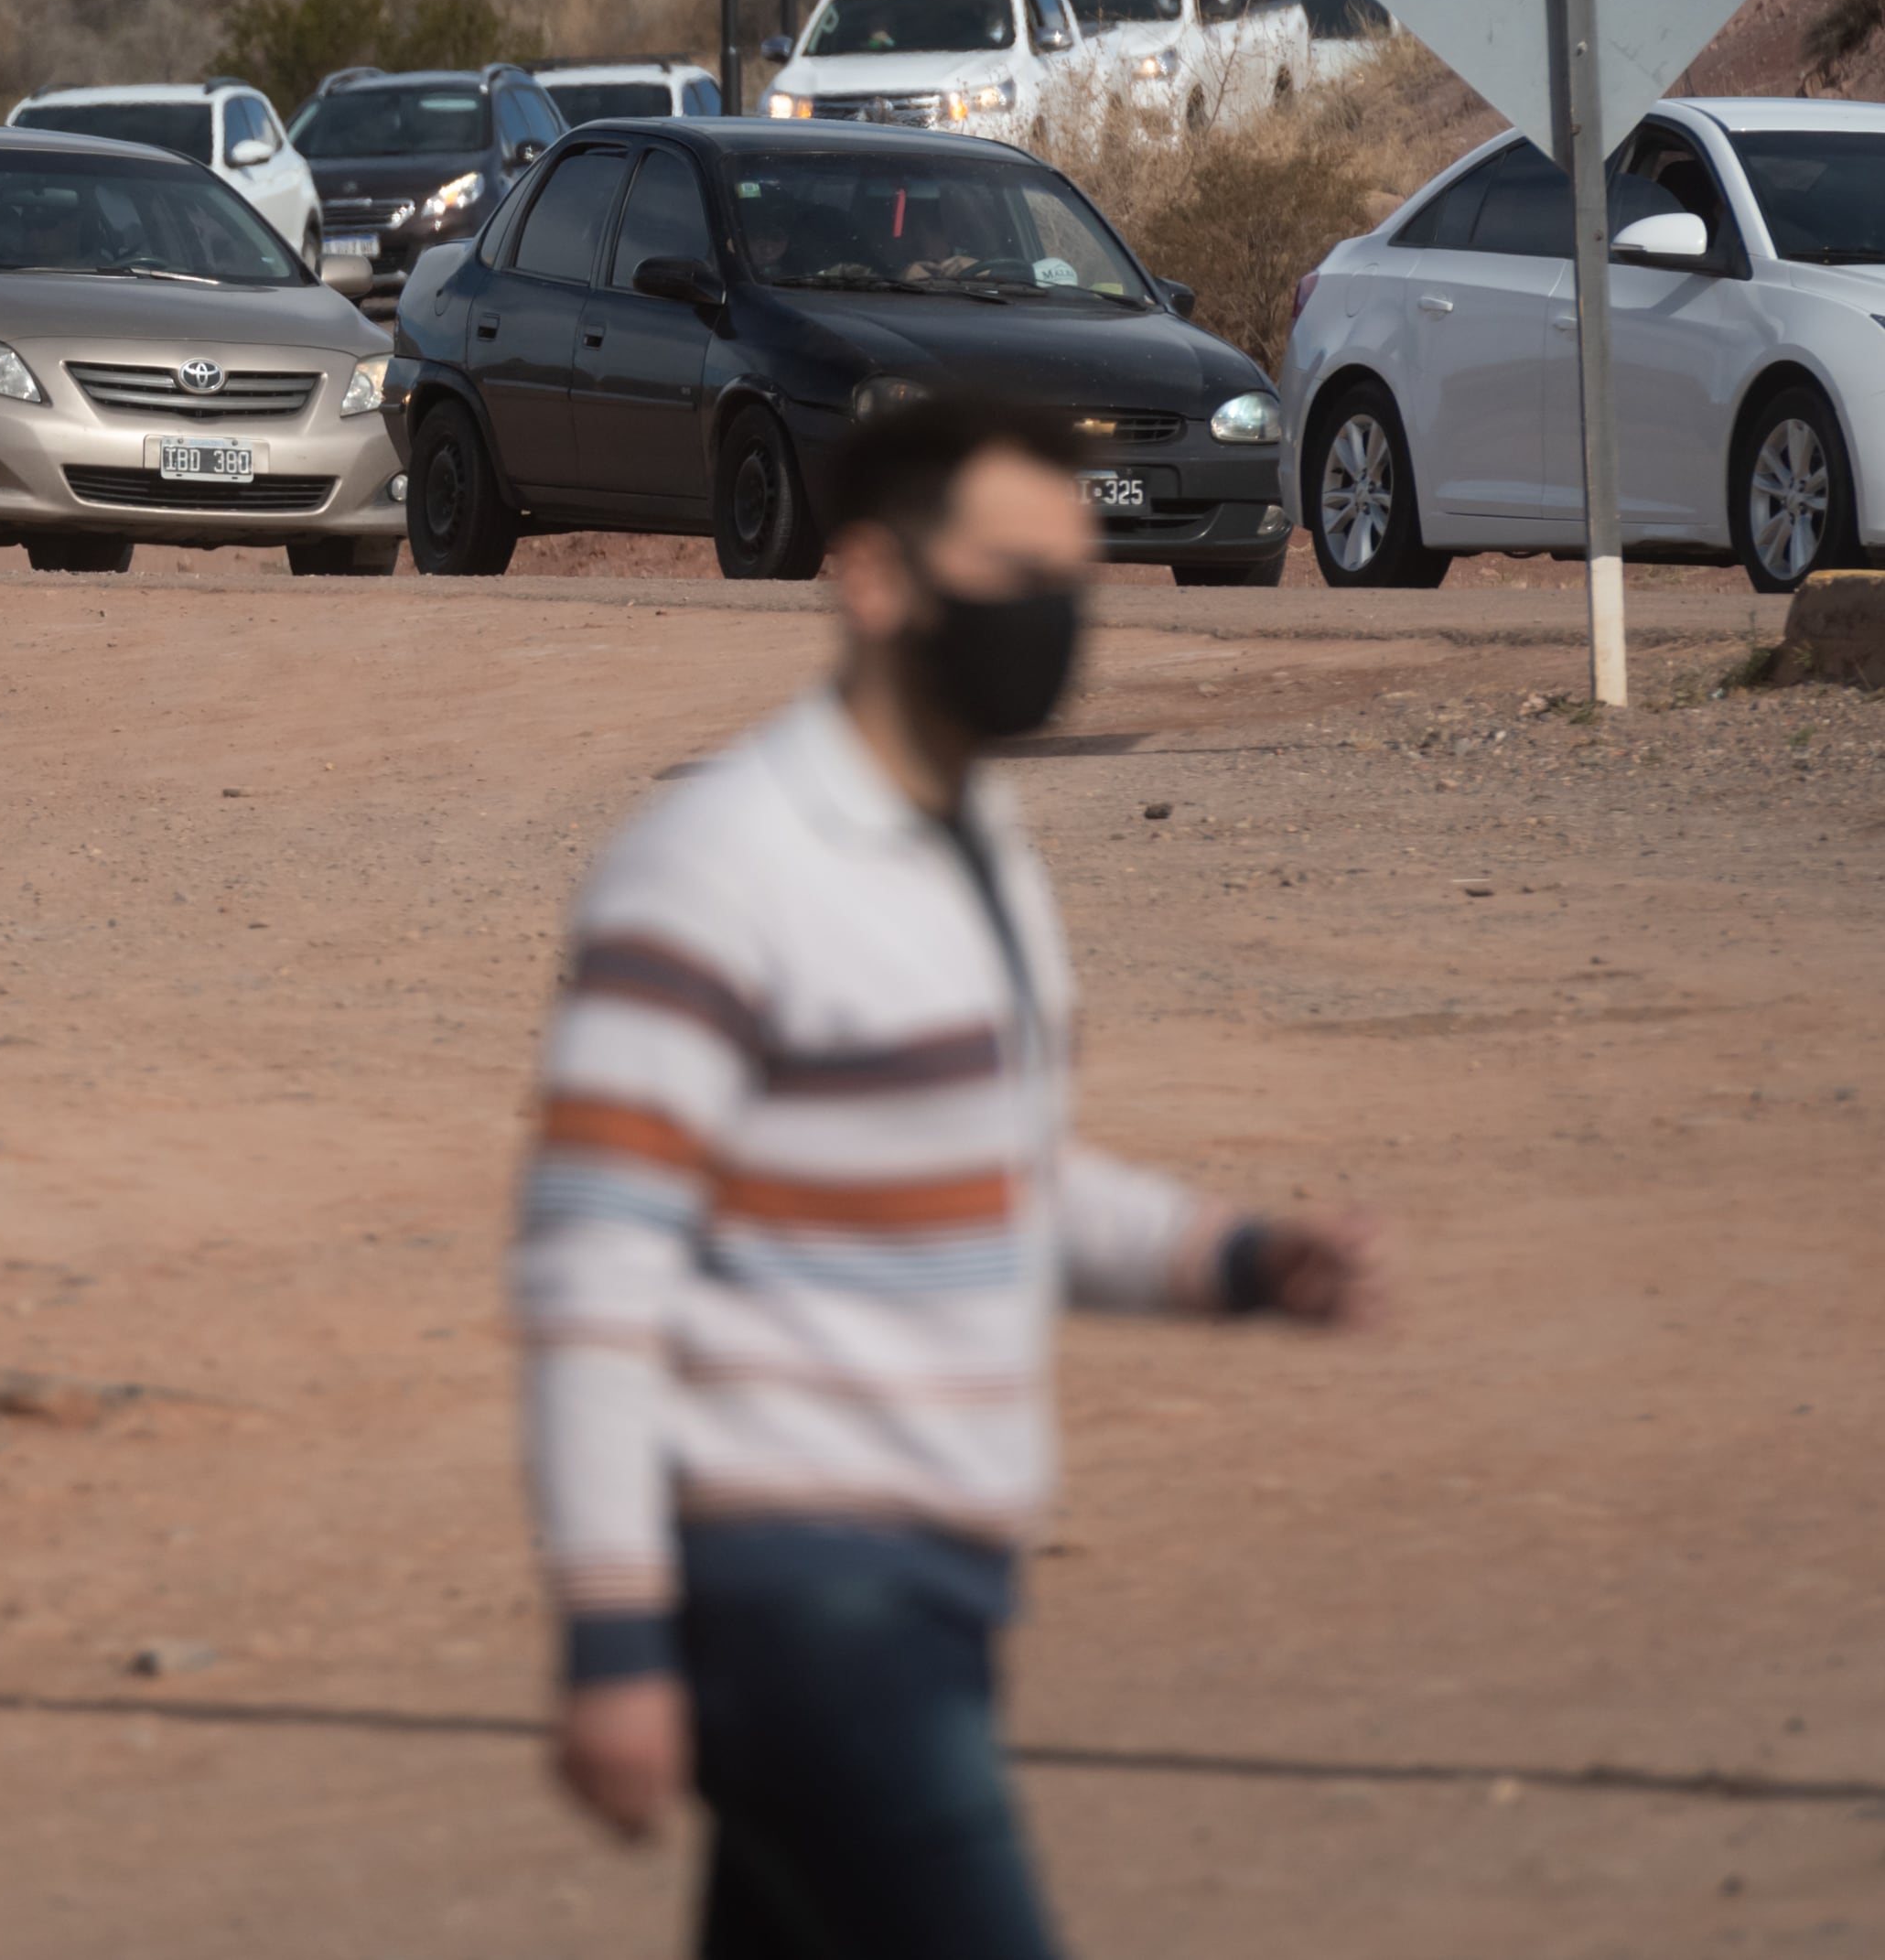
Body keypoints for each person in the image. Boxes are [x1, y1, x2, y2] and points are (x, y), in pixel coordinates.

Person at [511, 392, 1379, 1960]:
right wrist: (614, 1634)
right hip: (803, 1597)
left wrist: (1240, 1256)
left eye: (1075, 569)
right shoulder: (719, 865)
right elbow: (594, 1274)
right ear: (875, 578)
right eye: (1013, 565)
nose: (1056, 609)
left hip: (947, 1589)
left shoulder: (977, 841)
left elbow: (996, 1182)